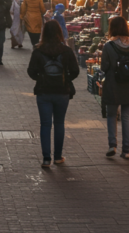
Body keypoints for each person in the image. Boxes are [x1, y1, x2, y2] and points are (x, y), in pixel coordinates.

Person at [26, 21, 80, 167]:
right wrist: (66, 79)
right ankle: (57, 156)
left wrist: (41, 78)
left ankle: (46, 158)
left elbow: (31, 71)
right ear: (59, 32)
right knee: (59, 123)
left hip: (44, 92)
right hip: (62, 92)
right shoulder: (66, 51)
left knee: (45, 124)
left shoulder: (38, 50)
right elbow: (75, 71)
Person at [100, 17, 129, 159]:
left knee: (112, 115)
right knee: (126, 116)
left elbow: (104, 67)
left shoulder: (109, 46)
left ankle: (112, 145)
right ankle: (126, 151)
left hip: (114, 85)